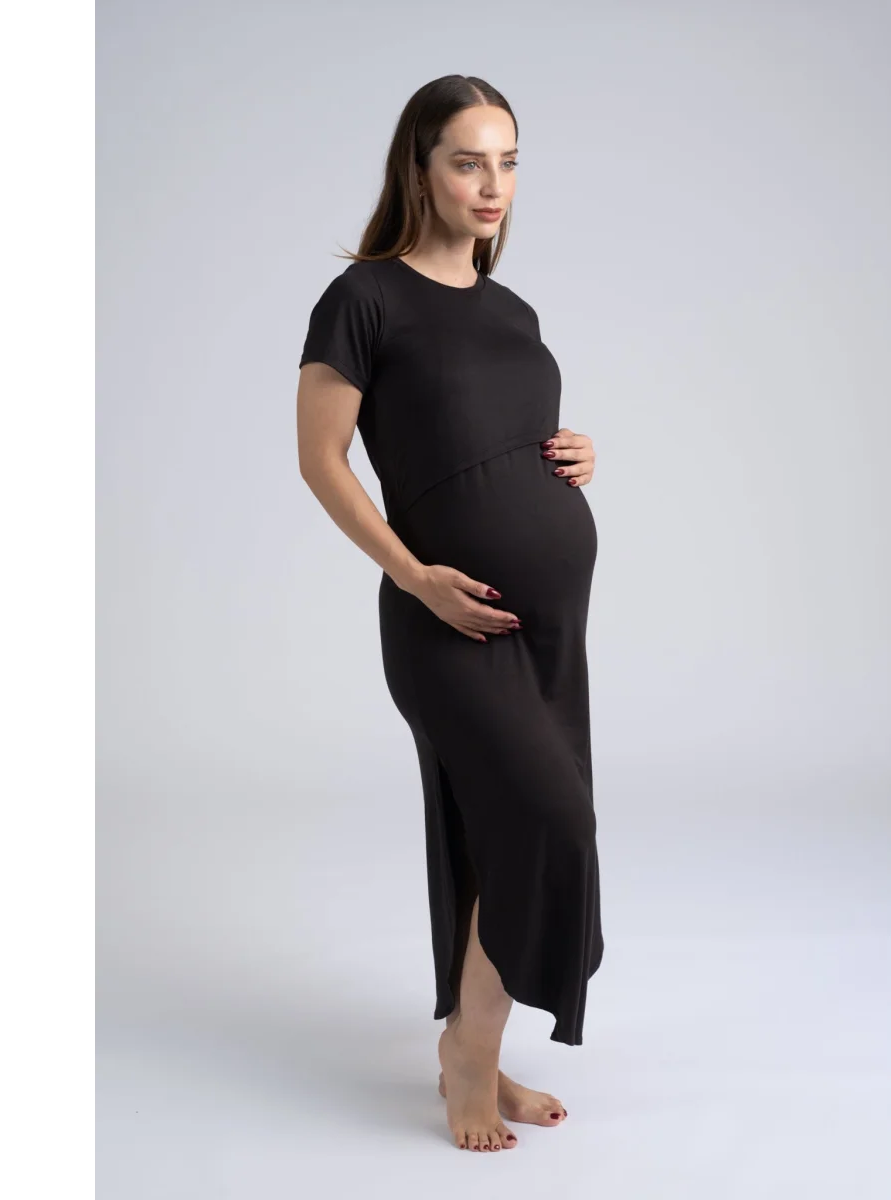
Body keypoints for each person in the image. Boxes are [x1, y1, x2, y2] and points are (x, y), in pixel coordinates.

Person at [297, 75, 603, 1153]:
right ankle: (468, 1054)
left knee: (508, 833)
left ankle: (478, 1045)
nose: (492, 184)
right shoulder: (364, 299)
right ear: (419, 169)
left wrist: (573, 454)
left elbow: (504, 439)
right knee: (549, 824)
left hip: (549, 630)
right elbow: (321, 460)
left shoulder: (512, 311)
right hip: (447, 624)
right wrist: (415, 575)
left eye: (508, 161)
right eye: (469, 161)